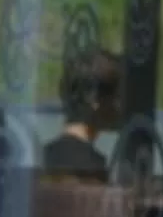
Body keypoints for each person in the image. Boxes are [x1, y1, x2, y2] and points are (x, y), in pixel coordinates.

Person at [42, 48, 122, 178]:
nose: (119, 106)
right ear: (94, 100)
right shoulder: (90, 167)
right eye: (116, 96)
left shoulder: (42, 156)